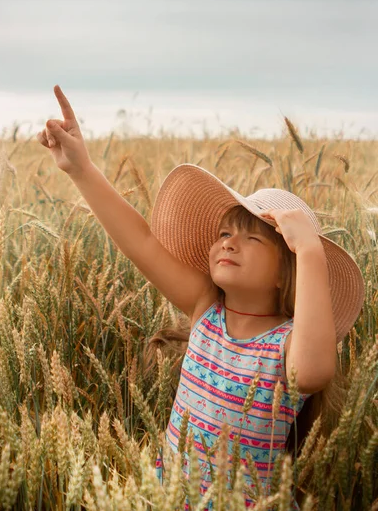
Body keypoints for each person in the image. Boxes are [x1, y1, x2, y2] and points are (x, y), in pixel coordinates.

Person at [37, 85, 365, 510]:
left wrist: (310, 250)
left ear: (288, 274)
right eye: (224, 233)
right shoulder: (206, 310)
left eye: (251, 238)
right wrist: (80, 169)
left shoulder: (287, 346)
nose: (229, 243)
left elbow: (317, 369)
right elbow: (141, 242)